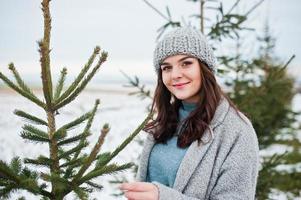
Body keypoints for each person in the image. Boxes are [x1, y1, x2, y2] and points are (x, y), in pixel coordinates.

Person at [119, 27, 259, 200]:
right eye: (166, 68)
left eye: (186, 63)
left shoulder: (237, 130)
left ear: (204, 67)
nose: (175, 75)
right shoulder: (165, 121)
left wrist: (163, 197)